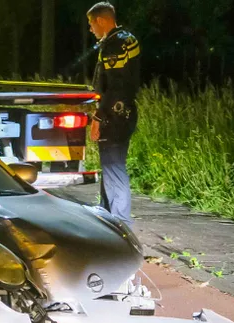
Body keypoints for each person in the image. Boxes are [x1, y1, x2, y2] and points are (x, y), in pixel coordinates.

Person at [88, 2, 141, 226]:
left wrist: (99, 117)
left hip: (114, 115)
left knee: (113, 168)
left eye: (91, 24)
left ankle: (120, 224)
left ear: (101, 20)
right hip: (127, 113)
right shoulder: (128, 38)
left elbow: (115, 87)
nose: (91, 29)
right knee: (112, 166)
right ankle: (105, 214)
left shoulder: (113, 46)